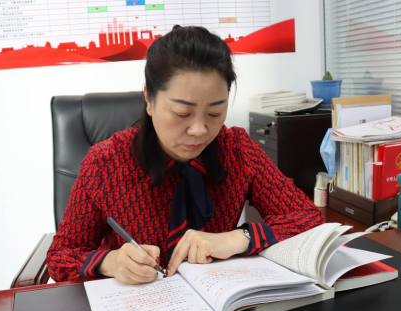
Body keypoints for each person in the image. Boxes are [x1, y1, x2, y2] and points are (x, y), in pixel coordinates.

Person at [47, 25, 324, 285]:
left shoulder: (237, 150)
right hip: (138, 305)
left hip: (219, 301)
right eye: (182, 113)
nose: (199, 130)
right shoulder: (106, 163)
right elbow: (61, 257)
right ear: (149, 100)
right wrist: (110, 262)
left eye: (215, 112)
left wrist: (240, 237)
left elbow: (308, 219)